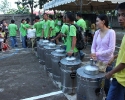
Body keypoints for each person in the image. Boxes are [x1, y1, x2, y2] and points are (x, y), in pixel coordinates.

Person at [91, 14, 116, 96]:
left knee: (106, 85)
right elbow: (93, 46)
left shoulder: (111, 32)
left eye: (97, 21)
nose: (96, 23)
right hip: (97, 62)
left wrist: (97, 53)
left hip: (107, 63)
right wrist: (93, 53)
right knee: (97, 82)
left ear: (103, 21)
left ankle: (108, 97)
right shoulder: (97, 32)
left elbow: (111, 50)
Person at [105, 2, 125, 100]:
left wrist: (110, 73)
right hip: (119, 77)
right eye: (119, 15)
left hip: (122, 80)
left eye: (124, 15)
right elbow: (123, 52)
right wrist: (114, 57)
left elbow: (124, 63)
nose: (120, 18)